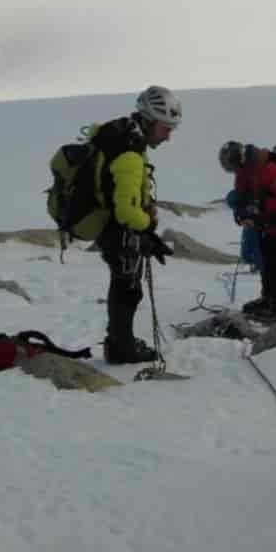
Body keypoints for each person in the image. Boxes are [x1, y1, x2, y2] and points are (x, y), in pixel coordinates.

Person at [95, 85, 180, 364]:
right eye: (166, 128)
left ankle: (119, 342)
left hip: (110, 229)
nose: (168, 137)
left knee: (124, 285)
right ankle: (122, 349)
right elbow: (126, 211)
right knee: (127, 289)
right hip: (119, 232)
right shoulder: (130, 153)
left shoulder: (125, 139)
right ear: (151, 120)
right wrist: (148, 225)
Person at [219, 141, 276, 319]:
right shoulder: (244, 172)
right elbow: (242, 196)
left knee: (273, 259)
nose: (233, 171)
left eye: (232, 166)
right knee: (266, 258)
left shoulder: (268, 169)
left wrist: (260, 205)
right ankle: (268, 298)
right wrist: (241, 213)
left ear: (239, 159)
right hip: (266, 222)